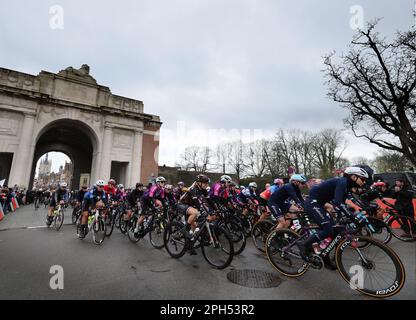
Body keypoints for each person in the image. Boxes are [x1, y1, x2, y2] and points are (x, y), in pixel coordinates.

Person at [297, 166, 369, 262]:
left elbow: (343, 201)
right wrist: (353, 217)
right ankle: (303, 244)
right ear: (353, 177)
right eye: (363, 179)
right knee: (327, 230)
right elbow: (337, 202)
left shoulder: (346, 185)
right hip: (312, 203)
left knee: (334, 230)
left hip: (319, 204)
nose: (364, 182)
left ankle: (325, 256)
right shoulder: (342, 182)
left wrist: (355, 212)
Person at [177, 174, 212, 254]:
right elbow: (197, 203)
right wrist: (203, 211)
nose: (206, 185)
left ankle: (189, 243)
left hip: (190, 206)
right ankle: (184, 229)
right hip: (182, 205)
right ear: (199, 183)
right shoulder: (193, 189)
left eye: (207, 183)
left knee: (195, 227)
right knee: (195, 212)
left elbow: (209, 201)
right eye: (205, 183)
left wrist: (214, 210)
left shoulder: (204, 190)